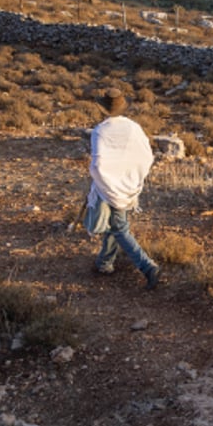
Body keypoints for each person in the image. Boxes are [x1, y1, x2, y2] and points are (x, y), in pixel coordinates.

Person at [88, 88, 160, 289]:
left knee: (119, 227)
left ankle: (148, 267)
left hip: (108, 185)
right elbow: (147, 156)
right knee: (115, 223)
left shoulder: (100, 131)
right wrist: (133, 177)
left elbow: (98, 165)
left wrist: (103, 181)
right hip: (129, 184)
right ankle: (104, 263)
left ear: (102, 109)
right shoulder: (134, 128)